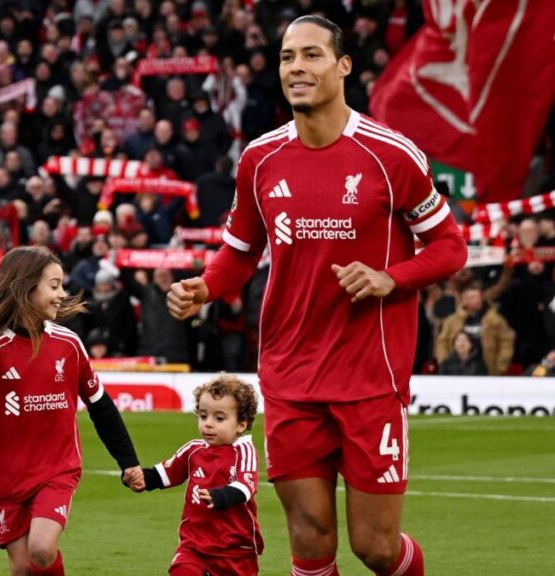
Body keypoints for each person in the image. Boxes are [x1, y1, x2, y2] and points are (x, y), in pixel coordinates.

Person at [166, 16, 467, 576]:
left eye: (311, 55)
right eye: (287, 58)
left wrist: (390, 277)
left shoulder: (391, 154)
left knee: (375, 546)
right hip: (290, 373)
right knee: (309, 541)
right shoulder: (260, 158)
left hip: (369, 377)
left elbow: (451, 246)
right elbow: (238, 254)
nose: (297, 68)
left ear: (342, 65)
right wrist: (204, 287)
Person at [0, 246, 144, 576]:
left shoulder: (69, 344)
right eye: (54, 286)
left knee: (41, 548)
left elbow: (101, 407)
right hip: (9, 479)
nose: (61, 294)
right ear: (26, 288)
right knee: (23, 568)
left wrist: (128, 462)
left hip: (58, 469)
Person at [134, 375, 263, 576]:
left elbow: (246, 487)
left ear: (241, 424)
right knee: (182, 571)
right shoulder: (193, 449)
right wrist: (142, 478)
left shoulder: (244, 451)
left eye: (219, 418)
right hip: (194, 545)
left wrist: (220, 496)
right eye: (203, 416)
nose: (208, 424)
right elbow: (166, 473)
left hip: (235, 550)